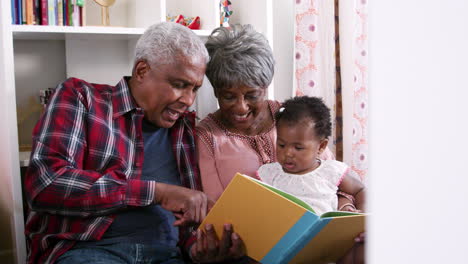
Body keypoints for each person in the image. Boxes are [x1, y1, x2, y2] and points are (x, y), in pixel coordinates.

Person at [23, 22, 243, 264]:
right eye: (179, 85)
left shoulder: (188, 130)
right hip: (89, 250)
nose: (188, 100)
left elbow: (186, 228)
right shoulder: (81, 99)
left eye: (195, 89)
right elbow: (46, 184)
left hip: (167, 255)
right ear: (141, 71)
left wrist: (198, 250)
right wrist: (156, 192)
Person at [197, 24, 336, 202]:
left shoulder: (294, 118)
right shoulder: (207, 137)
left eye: (252, 95)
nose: (241, 107)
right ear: (216, 91)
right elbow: (214, 207)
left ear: (265, 86)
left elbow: (333, 176)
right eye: (228, 97)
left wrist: (347, 204)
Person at [257, 96, 366, 263]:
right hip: (284, 246)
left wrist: (362, 217)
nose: (288, 153)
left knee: (361, 248)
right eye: (281, 145)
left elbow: (360, 189)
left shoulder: (330, 171)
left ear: (321, 147)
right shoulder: (269, 174)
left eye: (298, 147)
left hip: (326, 246)